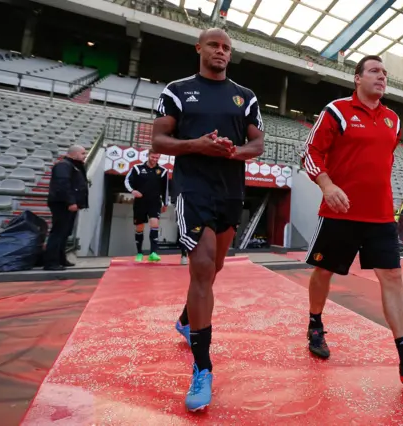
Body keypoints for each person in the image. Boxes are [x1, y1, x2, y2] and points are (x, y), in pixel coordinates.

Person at [301, 55, 403, 387]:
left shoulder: (393, 120)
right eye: (374, 71)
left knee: (393, 277)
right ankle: (315, 323)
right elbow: (310, 153)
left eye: (384, 73)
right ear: (357, 78)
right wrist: (327, 185)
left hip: (380, 215)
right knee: (323, 271)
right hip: (340, 212)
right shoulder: (337, 111)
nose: (382, 76)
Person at [151, 28, 264, 411]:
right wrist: (196, 145)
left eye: (227, 47)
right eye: (214, 45)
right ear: (199, 48)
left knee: (213, 267)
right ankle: (202, 368)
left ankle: (186, 319)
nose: (220, 51)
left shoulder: (245, 96)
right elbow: (159, 141)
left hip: (230, 191)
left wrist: (233, 153)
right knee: (201, 268)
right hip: (192, 188)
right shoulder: (177, 90)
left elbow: (257, 144)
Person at [45, 145, 88, 271]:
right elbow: (62, 185)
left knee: (65, 233)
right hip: (62, 204)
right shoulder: (64, 165)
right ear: (74, 154)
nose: (84, 156)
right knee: (58, 232)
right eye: (82, 153)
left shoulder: (74, 166)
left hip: (69, 204)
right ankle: (51, 262)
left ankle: (61, 258)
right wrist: (70, 202)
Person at [124, 150, 169, 262]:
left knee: (154, 224)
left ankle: (153, 253)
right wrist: (133, 191)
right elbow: (127, 181)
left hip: (155, 202)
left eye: (157, 158)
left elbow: (165, 189)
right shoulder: (137, 168)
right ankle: (139, 253)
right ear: (148, 155)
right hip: (140, 202)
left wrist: (165, 203)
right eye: (153, 157)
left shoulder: (162, 171)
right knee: (139, 227)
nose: (155, 160)